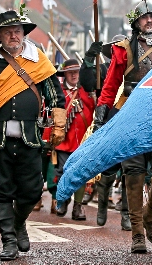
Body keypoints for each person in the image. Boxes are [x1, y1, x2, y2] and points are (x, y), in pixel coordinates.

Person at [0, 9, 65, 261]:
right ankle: (8, 240)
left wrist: (59, 124)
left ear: (23, 34)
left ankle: (19, 223)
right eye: (7, 32)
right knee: (0, 191)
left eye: (17, 31)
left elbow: (56, 96)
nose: (13, 36)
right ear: (0, 36)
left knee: (31, 192)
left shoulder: (39, 61)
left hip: (30, 138)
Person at [92, 0, 152, 254]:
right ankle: (137, 233)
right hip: (130, 114)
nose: (149, 21)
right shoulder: (123, 50)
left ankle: (150, 216)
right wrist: (100, 118)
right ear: (136, 23)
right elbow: (109, 87)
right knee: (133, 174)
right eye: (144, 18)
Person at [52, 59, 95, 221]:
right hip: (64, 142)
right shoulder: (60, 92)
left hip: (83, 141)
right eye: (70, 72)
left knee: (81, 174)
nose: (74, 75)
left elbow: (95, 106)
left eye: (76, 72)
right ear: (65, 75)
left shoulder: (86, 91)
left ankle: (78, 207)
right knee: (63, 173)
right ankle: (63, 200)